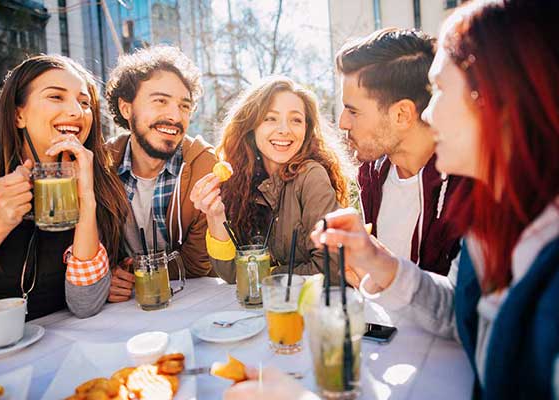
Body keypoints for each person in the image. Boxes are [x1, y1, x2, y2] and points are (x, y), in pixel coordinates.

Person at [312, 0, 559, 398]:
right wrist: (383, 264)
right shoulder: (493, 222)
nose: (429, 114)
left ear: (498, 102)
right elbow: (458, 312)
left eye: (441, 89)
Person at [0, 55, 129, 342]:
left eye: (84, 102)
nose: (76, 111)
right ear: (18, 115)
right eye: (56, 97)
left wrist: (85, 199)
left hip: (58, 346)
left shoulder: (100, 182)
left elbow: (86, 303)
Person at [190, 76, 349, 282]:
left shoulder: (311, 176)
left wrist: (263, 276)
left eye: (296, 120)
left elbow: (332, 267)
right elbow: (230, 273)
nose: (284, 129)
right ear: (251, 126)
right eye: (270, 118)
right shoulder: (241, 181)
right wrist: (215, 215)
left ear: (306, 130)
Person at [336, 28, 463, 282]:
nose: (342, 123)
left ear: (402, 115)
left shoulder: (465, 184)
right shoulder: (371, 173)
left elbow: (461, 308)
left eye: (353, 111)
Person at [104, 46, 216, 303]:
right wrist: (106, 275)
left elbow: (198, 263)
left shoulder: (204, 166)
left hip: (188, 299)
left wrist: (135, 274)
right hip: (121, 309)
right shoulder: (102, 166)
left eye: (184, 106)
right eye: (160, 101)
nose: (175, 116)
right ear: (126, 108)